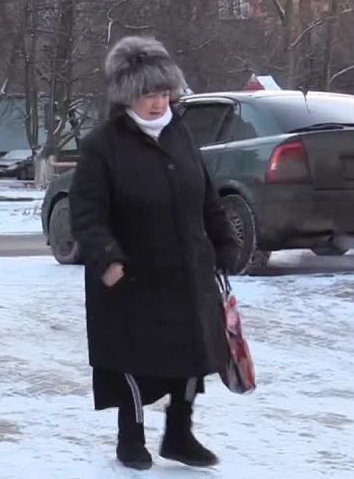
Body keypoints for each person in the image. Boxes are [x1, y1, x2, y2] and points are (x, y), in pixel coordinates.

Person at [69, 36, 238, 470]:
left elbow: (206, 197)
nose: (158, 102)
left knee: (191, 354)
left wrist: (224, 242)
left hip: (186, 270)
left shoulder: (180, 133)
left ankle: (179, 434)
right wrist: (107, 258)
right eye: (148, 94)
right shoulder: (102, 144)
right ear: (127, 95)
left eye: (163, 93)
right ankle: (131, 439)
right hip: (131, 276)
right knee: (133, 358)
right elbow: (86, 212)